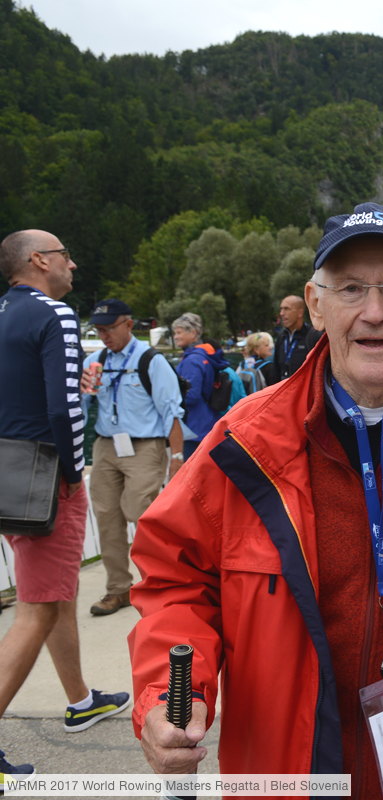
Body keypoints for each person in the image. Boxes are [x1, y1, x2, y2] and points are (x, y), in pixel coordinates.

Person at [128, 203, 383, 796]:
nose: (374, 312)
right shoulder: (245, 443)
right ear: (315, 305)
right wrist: (169, 694)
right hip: (290, 770)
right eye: (352, 289)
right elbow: (176, 581)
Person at [0, 231, 131, 779]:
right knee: (37, 607)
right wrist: (73, 473)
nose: (72, 264)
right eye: (64, 255)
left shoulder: (4, 312)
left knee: (49, 594)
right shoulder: (55, 314)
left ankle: (80, 699)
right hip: (46, 474)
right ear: (38, 260)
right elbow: (65, 408)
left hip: (8, 469)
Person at [80, 299, 185, 617]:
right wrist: (85, 393)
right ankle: (118, 590)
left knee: (141, 510)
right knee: (106, 516)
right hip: (106, 445)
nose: (104, 335)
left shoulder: (150, 360)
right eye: (99, 329)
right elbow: (83, 412)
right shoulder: (95, 360)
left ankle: (160, 583)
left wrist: (177, 457)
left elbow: (171, 411)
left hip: (144, 445)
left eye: (109, 328)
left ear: (128, 324)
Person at [171, 313, 217, 460]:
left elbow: (191, 395)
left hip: (194, 427)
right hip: (205, 422)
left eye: (179, 332)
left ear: (193, 333)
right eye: (174, 333)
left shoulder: (192, 360)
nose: (175, 336)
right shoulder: (203, 356)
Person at [272, 294, 320, 383]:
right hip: (283, 392)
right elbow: (276, 370)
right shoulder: (281, 337)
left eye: (286, 309)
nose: (281, 313)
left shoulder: (314, 336)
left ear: (300, 313)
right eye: (281, 309)